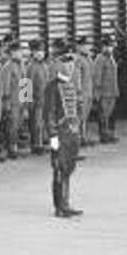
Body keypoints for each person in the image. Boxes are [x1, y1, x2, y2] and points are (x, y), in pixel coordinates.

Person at [44, 43, 84, 219]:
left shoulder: (72, 84)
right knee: (59, 169)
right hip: (59, 134)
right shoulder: (52, 86)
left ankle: (66, 203)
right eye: (66, 63)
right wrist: (52, 137)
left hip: (71, 134)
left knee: (68, 168)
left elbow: (76, 109)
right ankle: (60, 206)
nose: (70, 66)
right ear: (59, 64)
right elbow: (49, 113)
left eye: (72, 63)